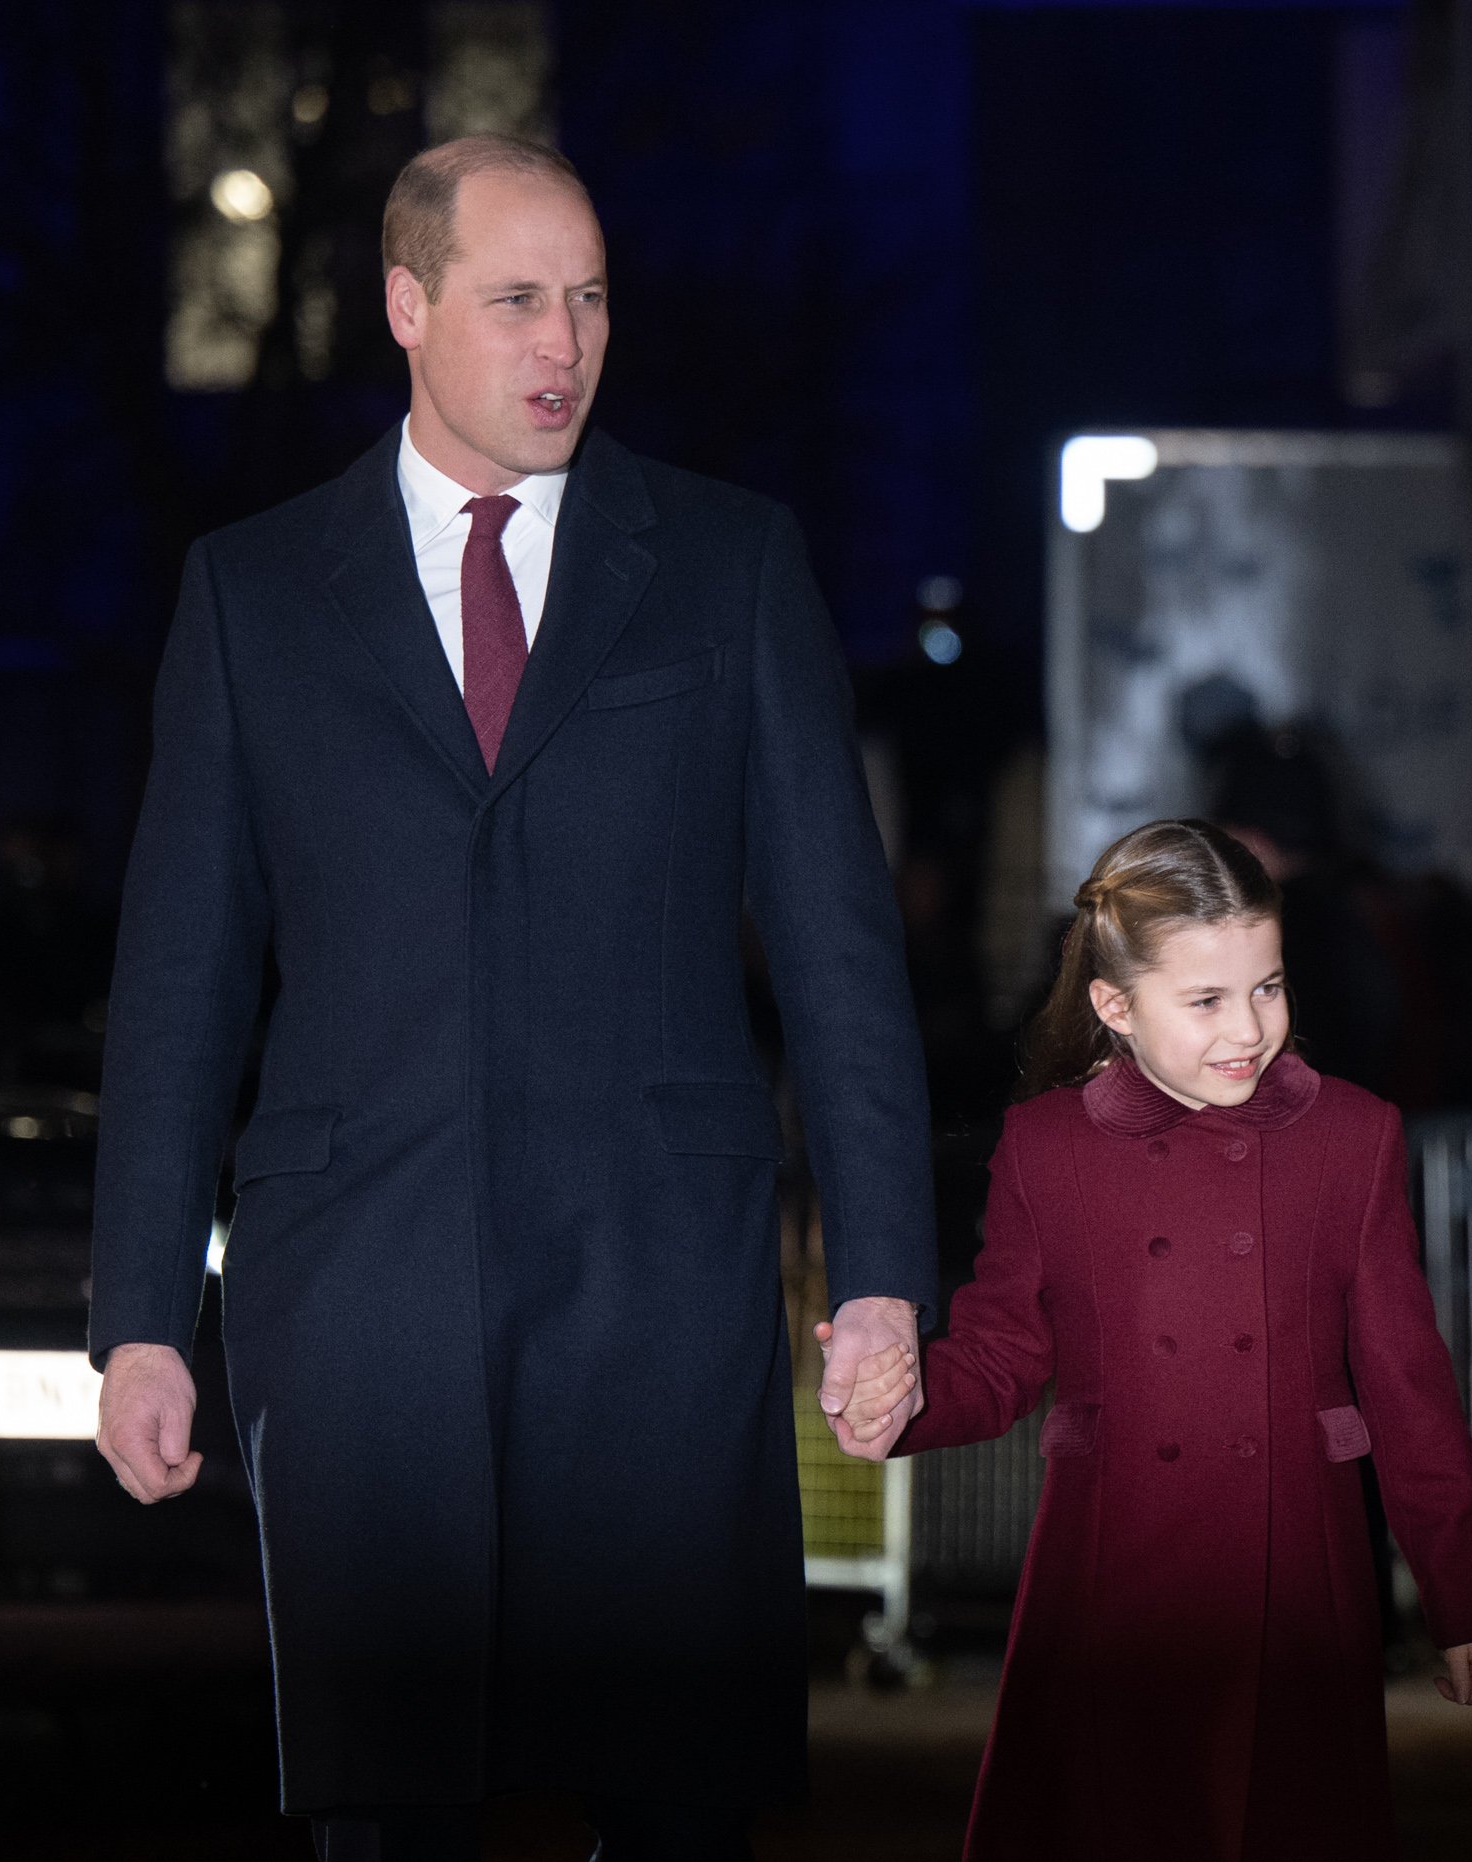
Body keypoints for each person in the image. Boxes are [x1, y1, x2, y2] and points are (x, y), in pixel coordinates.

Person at [86, 136, 933, 1859]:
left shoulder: (727, 566)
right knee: (388, 1816)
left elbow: (842, 950)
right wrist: (141, 1312)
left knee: (676, 1801)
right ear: (407, 306)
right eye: (519, 299)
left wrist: (886, 1277)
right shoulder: (251, 597)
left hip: (658, 1295)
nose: (568, 340)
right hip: (359, 1310)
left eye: (593, 297)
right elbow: (180, 981)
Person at [863, 819, 1472, 1860]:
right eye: (1205, 999)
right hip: (1110, 1580)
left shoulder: (1353, 1134)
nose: (1247, 1027)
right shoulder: (1045, 1146)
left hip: (1297, 1582)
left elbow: (1408, 1385)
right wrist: (903, 1400)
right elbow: (1002, 1351)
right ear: (1114, 1006)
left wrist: (1464, 1591)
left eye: (1267, 984)